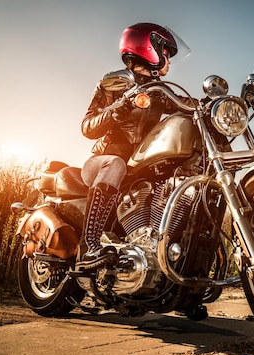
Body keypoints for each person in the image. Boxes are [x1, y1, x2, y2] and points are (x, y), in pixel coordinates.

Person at [76, 23, 195, 269]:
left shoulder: (161, 91)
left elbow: (190, 105)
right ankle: (89, 245)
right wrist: (116, 109)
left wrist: (223, 106)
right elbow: (87, 127)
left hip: (138, 168)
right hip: (103, 162)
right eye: (166, 54)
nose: (169, 62)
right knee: (116, 163)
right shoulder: (112, 84)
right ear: (149, 49)